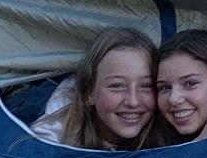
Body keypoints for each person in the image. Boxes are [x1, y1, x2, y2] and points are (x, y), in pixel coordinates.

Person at [30, 27, 164, 150]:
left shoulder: (169, 130)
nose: (133, 101)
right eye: (117, 86)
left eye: (146, 85)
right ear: (90, 93)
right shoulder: (51, 138)